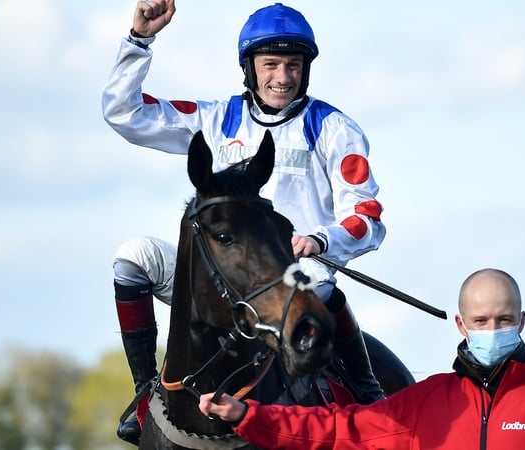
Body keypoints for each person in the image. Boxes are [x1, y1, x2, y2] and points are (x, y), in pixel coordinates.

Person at [102, 0, 388, 444]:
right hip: (219, 275)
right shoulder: (216, 118)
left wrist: (319, 240)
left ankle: (368, 391)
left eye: (293, 65)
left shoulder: (334, 128)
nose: (283, 77)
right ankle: (145, 394)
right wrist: (140, 39)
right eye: (270, 64)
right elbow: (125, 113)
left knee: (317, 283)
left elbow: (367, 217)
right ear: (249, 68)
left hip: (292, 273)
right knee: (133, 256)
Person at [199, 268, 525, 449]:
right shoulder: (423, 403)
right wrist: (247, 416)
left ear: (522, 321)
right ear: (461, 325)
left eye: (504, 319)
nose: (493, 329)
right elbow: (338, 430)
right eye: (481, 320)